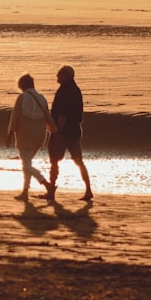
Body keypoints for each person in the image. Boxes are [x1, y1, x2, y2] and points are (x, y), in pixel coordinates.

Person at [5, 72, 57, 201]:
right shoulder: (42, 98)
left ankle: (47, 184)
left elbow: (15, 117)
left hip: (25, 135)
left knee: (26, 166)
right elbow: (48, 117)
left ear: (22, 85)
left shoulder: (22, 98)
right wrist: (54, 131)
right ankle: (25, 192)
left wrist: (10, 134)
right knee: (27, 164)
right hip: (39, 136)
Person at [46, 65, 93, 203]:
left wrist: (57, 132)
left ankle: (51, 191)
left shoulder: (64, 91)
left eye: (59, 74)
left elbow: (62, 115)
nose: (57, 76)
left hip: (64, 132)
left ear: (66, 76)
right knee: (79, 161)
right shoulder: (76, 90)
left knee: (54, 161)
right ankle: (88, 189)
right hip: (75, 131)